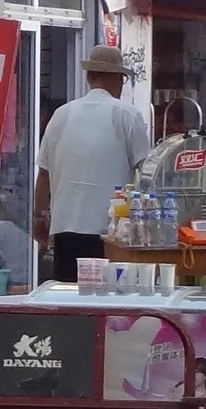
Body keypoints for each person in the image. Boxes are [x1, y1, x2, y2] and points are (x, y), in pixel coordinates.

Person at [33, 43, 151, 284]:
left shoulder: (61, 114)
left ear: (88, 78)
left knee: (69, 301)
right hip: (111, 233)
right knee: (106, 303)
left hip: (66, 227)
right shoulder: (127, 115)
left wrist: (39, 216)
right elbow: (148, 171)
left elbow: (43, 173)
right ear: (119, 79)